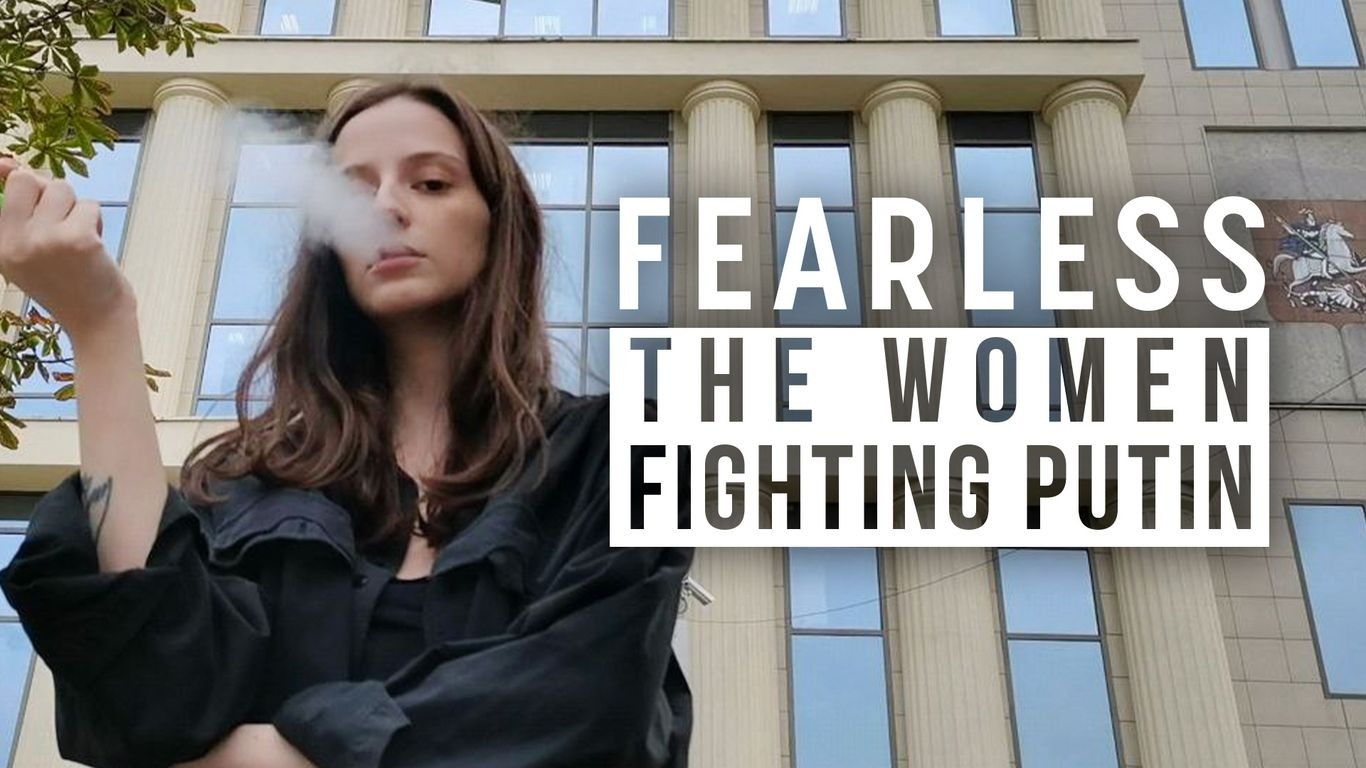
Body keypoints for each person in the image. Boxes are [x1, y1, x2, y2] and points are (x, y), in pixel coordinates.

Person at [0, 81, 693, 768]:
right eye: (353, 191)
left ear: (497, 219)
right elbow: (151, 699)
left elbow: (594, 703)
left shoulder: (621, 453)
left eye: (429, 183)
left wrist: (282, 750)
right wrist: (100, 327)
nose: (386, 207)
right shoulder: (246, 486)